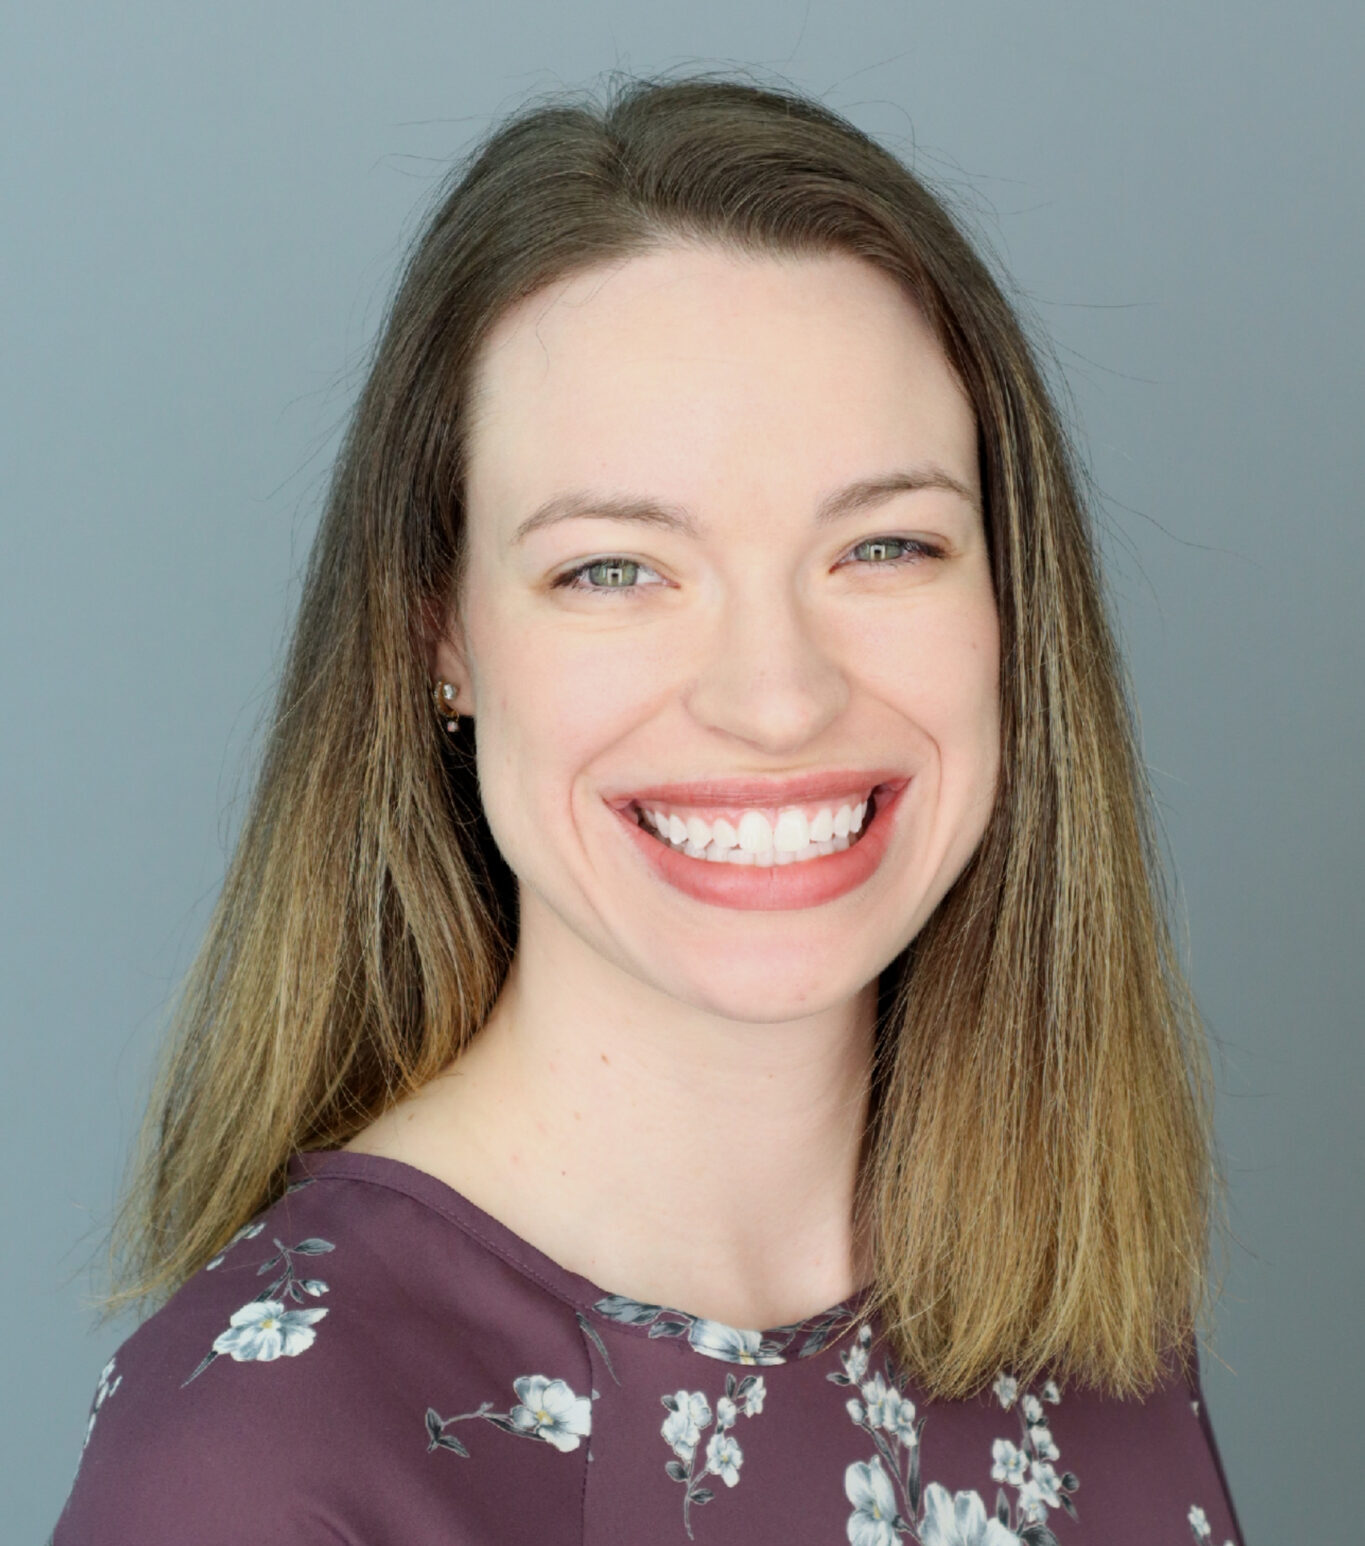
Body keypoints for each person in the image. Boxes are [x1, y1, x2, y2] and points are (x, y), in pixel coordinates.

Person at [52, 72, 1245, 1546]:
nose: (776, 695)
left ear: (1011, 601)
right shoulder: (258, 1469)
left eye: (882, 544)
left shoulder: (1084, 1327)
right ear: (442, 635)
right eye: (612, 567)